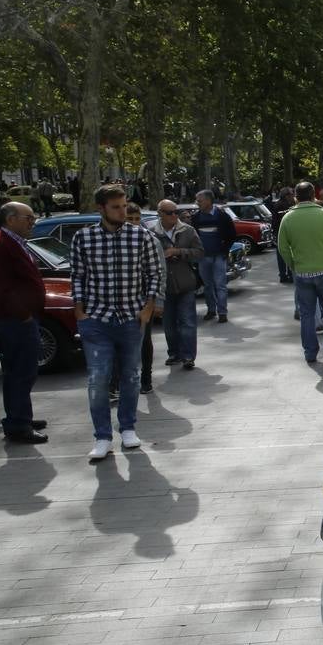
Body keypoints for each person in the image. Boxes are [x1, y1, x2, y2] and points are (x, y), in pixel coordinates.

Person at [70, 185, 162, 461]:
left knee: (131, 376)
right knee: (98, 379)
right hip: (96, 319)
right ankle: (102, 436)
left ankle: (128, 428)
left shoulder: (140, 236)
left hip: (131, 318)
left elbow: (154, 274)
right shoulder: (83, 238)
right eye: (116, 207)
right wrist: (79, 311)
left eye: (124, 206)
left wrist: (148, 308)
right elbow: (77, 276)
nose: (122, 211)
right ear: (101, 208)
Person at [0, 202, 48, 443]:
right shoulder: (0, 245)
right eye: (28, 218)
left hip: (21, 319)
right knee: (20, 373)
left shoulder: (13, 242)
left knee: (24, 372)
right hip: (15, 321)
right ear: (11, 219)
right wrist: (24, 315)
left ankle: (21, 417)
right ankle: (18, 425)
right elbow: (2, 289)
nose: (33, 222)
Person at [277, 181, 323, 363]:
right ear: (313, 195)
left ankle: (310, 352)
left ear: (296, 196)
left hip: (302, 273)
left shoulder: (288, 218)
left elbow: (283, 248)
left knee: (306, 314)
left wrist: (293, 266)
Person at [149, 200, 202, 371]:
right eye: (169, 212)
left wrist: (178, 252)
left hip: (185, 283)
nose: (174, 216)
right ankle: (174, 353)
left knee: (187, 321)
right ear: (160, 213)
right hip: (164, 286)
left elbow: (199, 253)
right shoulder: (152, 233)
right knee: (169, 323)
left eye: (175, 212)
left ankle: (188, 356)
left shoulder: (187, 230)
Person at [124, 204, 163, 395]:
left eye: (137, 219)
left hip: (143, 301)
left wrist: (158, 301)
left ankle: (146, 378)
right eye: (129, 219)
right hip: (121, 302)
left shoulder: (150, 240)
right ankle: (119, 382)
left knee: (144, 341)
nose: (133, 223)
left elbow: (159, 272)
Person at [190, 190, 236, 323]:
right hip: (203, 257)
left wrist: (224, 250)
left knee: (220, 285)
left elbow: (232, 235)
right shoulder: (196, 218)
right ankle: (211, 309)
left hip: (218, 256)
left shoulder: (222, 216)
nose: (197, 203)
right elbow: (193, 237)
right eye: (197, 201)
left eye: (200, 200)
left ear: (209, 201)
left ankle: (222, 312)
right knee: (208, 285)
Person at [270, 187, 295, 283]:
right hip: (282, 232)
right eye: (291, 194)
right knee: (283, 254)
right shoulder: (280, 205)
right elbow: (276, 221)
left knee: (285, 254)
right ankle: (285, 274)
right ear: (287, 195)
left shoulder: (290, 204)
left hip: (285, 232)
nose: (293, 196)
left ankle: (286, 274)